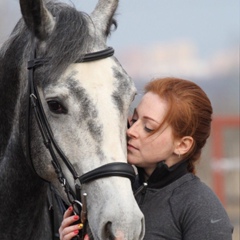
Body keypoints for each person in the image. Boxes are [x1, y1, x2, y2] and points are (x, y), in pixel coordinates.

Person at [59, 77, 233, 240]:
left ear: (182, 145)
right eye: (134, 120)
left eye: (148, 128)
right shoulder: (114, 193)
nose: (131, 131)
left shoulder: (201, 208)